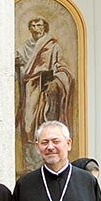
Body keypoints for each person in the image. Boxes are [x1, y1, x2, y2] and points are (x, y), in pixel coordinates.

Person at [16, 16, 74, 170]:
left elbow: (62, 67)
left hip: (45, 91)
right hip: (29, 89)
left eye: (39, 25)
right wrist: (18, 66)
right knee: (28, 126)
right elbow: (20, 68)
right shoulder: (24, 48)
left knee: (44, 122)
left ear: (44, 27)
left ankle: (47, 163)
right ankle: (30, 165)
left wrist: (56, 81)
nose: (36, 28)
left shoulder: (52, 46)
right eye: (33, 25)